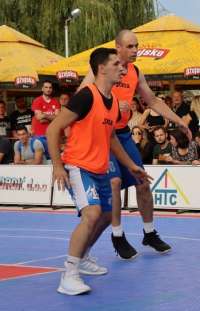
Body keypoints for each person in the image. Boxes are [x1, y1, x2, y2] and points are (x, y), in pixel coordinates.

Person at [47, 47, 152, 296]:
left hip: (100, 167)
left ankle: (81, 258)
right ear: (102, 68)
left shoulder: (114, 102)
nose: (122, 68)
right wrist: (57, 166)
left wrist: (130, 165)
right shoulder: (85, 97)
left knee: (105, 216)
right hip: (77, 165)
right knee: (92, 214)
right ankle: (69, 275)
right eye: (116, 64)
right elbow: (53, 129)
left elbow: (112, 138)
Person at [79, 29, 191, 261]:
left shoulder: (135, 72)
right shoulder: (101, 67)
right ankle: (117, 236)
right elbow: (81, 95)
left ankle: (149, 233)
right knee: (115, 182)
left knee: (142, 181)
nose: (135, 51)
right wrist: (109, 102)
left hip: (122, 134)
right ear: (118, 48)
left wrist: (179, 120)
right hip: (102, 136)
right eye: (130, 47)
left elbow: (153, 100)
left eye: (137, 46)